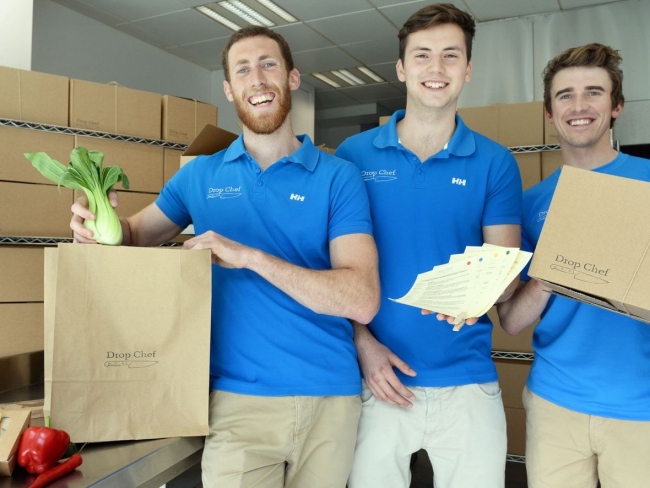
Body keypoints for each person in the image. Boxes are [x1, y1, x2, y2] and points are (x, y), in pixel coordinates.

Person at [70, 25, 381, 488]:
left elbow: (361, 298)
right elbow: (134, 237)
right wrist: (94, 226)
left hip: (331, 400)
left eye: (268, 64)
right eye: (243, 70)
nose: (257, 79)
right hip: (235, 404)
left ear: (292, 78)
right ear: (229, 89)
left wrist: (252, 257)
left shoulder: (339, 177)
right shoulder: (198, 176)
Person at [335, 4, 523, 487]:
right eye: (421, 56)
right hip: (376, 379)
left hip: (466, 380)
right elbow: (332, 274)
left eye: (450, 56)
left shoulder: (495, 162)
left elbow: (504, 278)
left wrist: (478, 295)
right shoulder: (352, 157)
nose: (435, 70)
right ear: (401, 68)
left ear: (467, 69)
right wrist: (362, 344)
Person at [497, 43, 650, 488]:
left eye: (593, 93)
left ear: (616, 105)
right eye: (564, 95)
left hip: (640, 406)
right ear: (549, 112)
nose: (578, 106)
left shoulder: (647, 184)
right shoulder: (530, 204)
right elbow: (510, 321)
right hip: (555, 403)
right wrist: (549, 275)